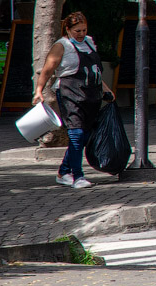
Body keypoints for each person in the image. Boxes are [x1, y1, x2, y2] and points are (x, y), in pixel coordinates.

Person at [34, 11, 113, 188]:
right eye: (77, 30)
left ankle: (63, 172)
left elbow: (95, 71)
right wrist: (39, 90)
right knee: (76, 134)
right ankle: (78, 176)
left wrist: (106, 89)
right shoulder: (62, 46)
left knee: (85, 136)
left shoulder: (89, 42)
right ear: (68, 30)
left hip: (91, 95)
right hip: (70, 94)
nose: (81, 34)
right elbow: (47, 70)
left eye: (84, 30)